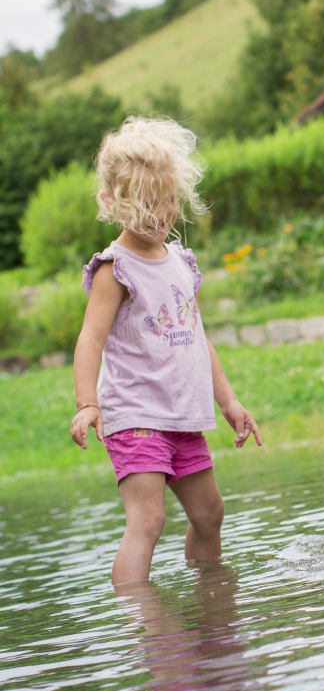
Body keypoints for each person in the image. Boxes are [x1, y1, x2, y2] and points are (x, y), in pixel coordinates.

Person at [70, 116, 262, 586]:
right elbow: (89, 340)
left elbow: (198, 338)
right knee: (148, 521)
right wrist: (87, 404)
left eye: (167, 201)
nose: (160, 214)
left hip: (181, 416)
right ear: (111, 202)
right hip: (136, 415)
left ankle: (211, 598)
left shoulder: (179, 260)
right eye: (145, 205)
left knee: (210, 514)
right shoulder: (114, 269)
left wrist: (230, 402)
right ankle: (143, 622)